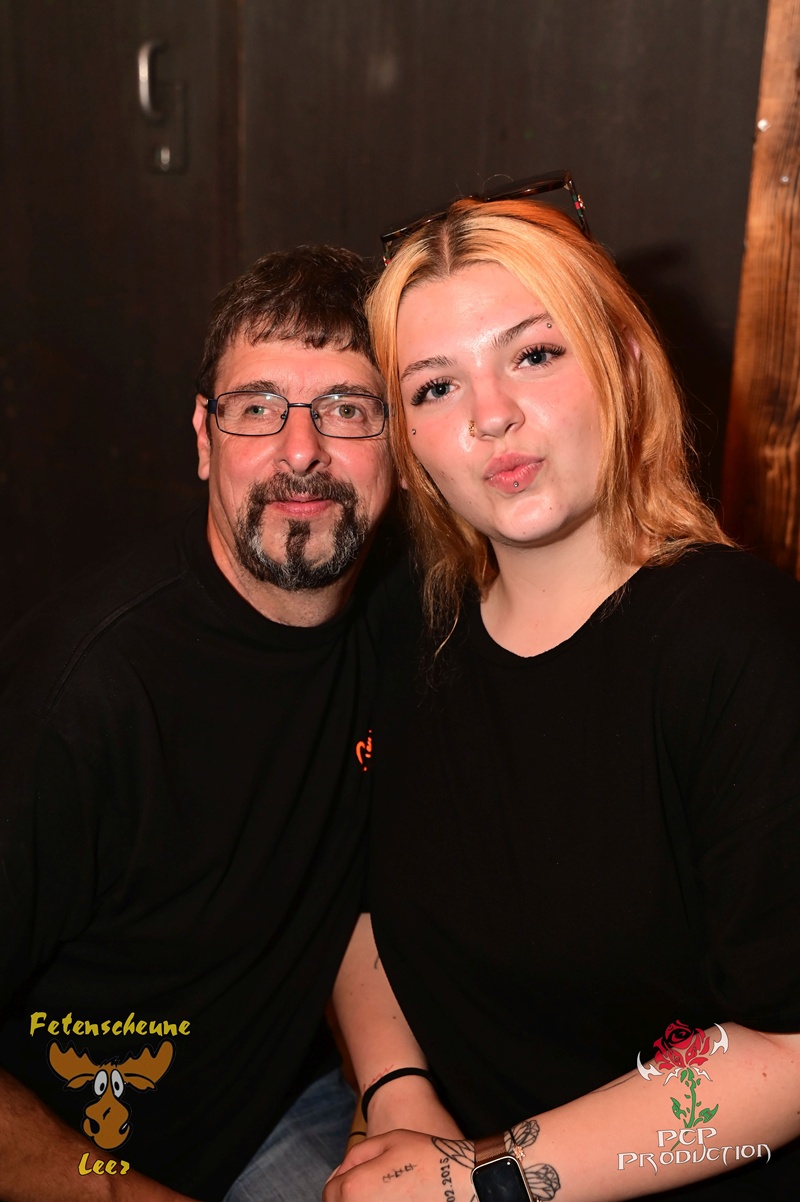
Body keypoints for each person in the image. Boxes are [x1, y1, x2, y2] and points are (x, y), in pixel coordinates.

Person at [324, 182, 800, 1201]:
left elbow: (791, 1053)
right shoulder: (402, 623)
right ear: (408, 445)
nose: (491, 415)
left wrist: (483, 1177)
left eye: (534, 355)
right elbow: (345, 893)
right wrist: (401, 1095)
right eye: (434, 387)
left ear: (622, 363)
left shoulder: (737, 639)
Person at [0, 245, 397, 1202]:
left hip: (283, 1108)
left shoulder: (408, 617)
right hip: (81, 1160)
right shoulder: (85, 694)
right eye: (257, 407)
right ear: (203, 437)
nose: (300, 452)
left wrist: (395, 1097)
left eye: (346, 408)